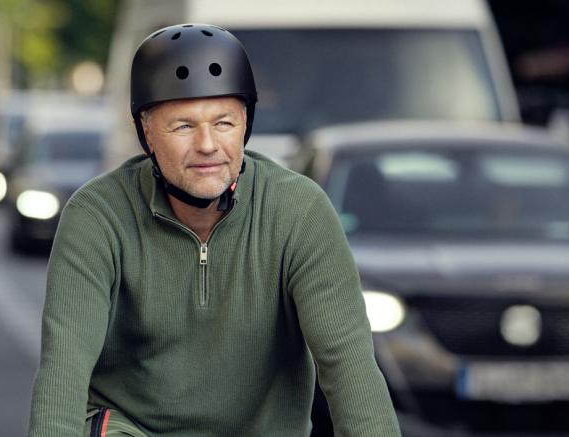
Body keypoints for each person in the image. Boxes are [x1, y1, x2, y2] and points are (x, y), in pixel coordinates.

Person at [27, 23, 400, 436]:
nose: (207, 144)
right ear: (147, 132)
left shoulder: (300, 211)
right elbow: (65, 367)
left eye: (223, 123)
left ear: (246, 123)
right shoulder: (98, 215)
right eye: (183, 126)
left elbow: (349, 365)